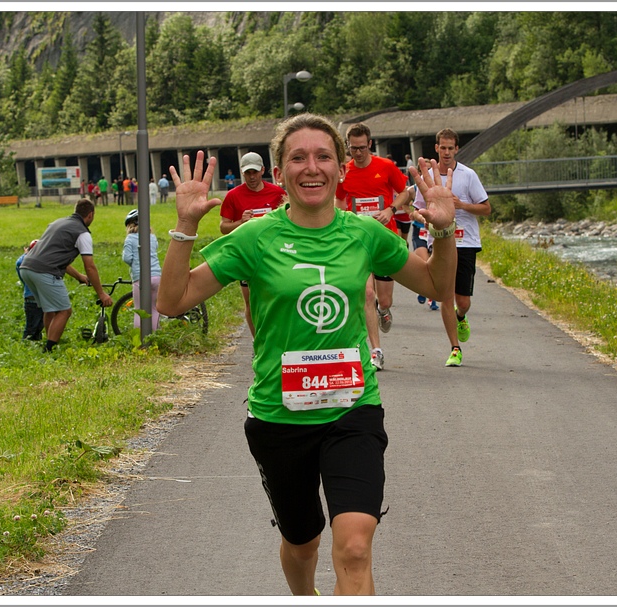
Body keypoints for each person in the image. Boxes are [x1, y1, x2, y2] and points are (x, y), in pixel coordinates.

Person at [157, 113, 457, 596]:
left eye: (323, 157)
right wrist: (185, 225)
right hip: (279, 419)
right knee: (302, 544)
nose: (312, 167)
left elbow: (437, 286)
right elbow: (172, 302)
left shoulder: (364, 234)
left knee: (355, 547)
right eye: (298, 158)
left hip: (353, 411)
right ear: (279, 173)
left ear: (341, 168)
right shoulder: (255, 238)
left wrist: (444, 233)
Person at [400, 128, 490, 367]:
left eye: (451, 148)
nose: (447, 152)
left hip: (466, 241)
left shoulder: (468, 175)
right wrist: (425, 217)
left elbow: (486, 208)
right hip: (438, 241)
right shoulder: (428, 177)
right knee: (445, 296)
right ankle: (455, 348)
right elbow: (417, 210)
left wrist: (461, 205)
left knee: (463, 302)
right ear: (436, 148)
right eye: (443, 148)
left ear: (457, 149)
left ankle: (461, 317)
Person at [333, 122, 410, 371]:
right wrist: (342, 220)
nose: (358, 153)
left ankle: (383, 310)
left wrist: (390, 210)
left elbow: (405, 192)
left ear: (370, 144)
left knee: (383, 300)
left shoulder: (385, 166)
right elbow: (339, 200)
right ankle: (376, 351)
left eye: (362, 148)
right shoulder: (345, 171)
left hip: (383, 239)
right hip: (357, 242)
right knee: (367, 294)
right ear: (348, 146)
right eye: (353, 148)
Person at [18, 198, 113, 352]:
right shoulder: (82, 233)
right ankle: (49, 349)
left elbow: (53, 256)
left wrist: (79, 277)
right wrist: (101, 294)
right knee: (64, 311)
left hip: (26, 267)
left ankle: (48, 342)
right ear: (90, 215)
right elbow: (90, 266)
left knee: (50, 309)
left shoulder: (57, 223)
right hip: (45, 271)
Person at [218, 151, 286, 338]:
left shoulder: (277, 193)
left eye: (255, 172)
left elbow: (291, 219)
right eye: (248, 173)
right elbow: (223, 227)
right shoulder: (233, 196)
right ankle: (258, 342)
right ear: (242, 173)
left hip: (275, 254)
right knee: (251, 303)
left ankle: (278, 338)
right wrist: (241, 222)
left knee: (279, 298)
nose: (252, 177)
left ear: (263, 170)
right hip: (247, 255)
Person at [122, 209, 162, 331]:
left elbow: (127, 258)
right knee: (154, 309)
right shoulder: (152, 237)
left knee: (139, 310)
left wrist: (134, 264)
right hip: (156, 276)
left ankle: (140, 338)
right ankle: (155, 336)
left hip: (140, 278)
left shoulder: (130, 239)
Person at [16, 239, 43, 341]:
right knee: (33, 327)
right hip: (36, 298)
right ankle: (27, 343)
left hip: (32, 297)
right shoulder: (39, 262)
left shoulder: (23, 262)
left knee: (36, 326)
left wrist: (26, 254)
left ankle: (33, 343)